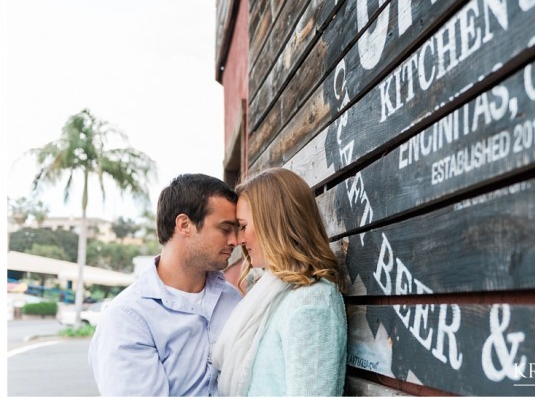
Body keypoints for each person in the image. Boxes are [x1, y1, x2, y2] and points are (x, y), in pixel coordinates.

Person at [88, 174, 242, 396]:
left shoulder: (233, 300)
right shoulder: (128, 318)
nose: (234, 241)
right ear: (184, 225)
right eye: (225, 229)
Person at [211, 167, 347, 396]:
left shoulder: (312, 302)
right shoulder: (274, 294)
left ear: (273, 223)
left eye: (243, 226)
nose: (240, 240)